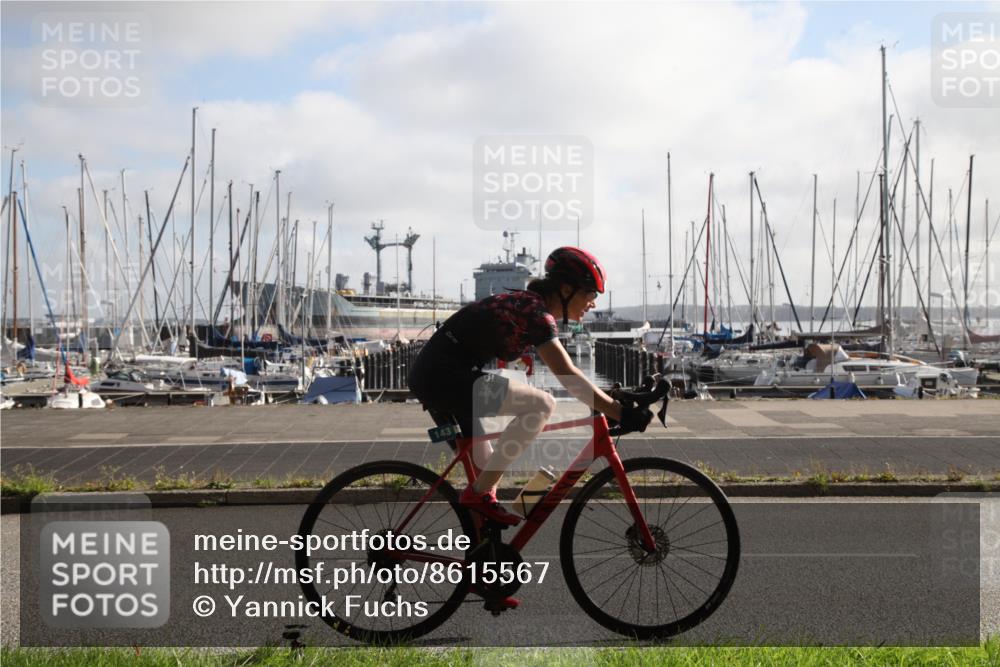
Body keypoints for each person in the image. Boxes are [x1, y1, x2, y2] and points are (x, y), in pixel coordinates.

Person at [408, 247, 653, 527]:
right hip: (444, 377)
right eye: (590, 294)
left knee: (486, 475)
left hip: (443, 375)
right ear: (566, 289)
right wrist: (618, 412)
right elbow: (567, 374)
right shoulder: (535, 314)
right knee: (541, 404)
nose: (593, 304)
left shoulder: (529, 306)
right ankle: (477, 497)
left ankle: (482, 547)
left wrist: (610, 400)